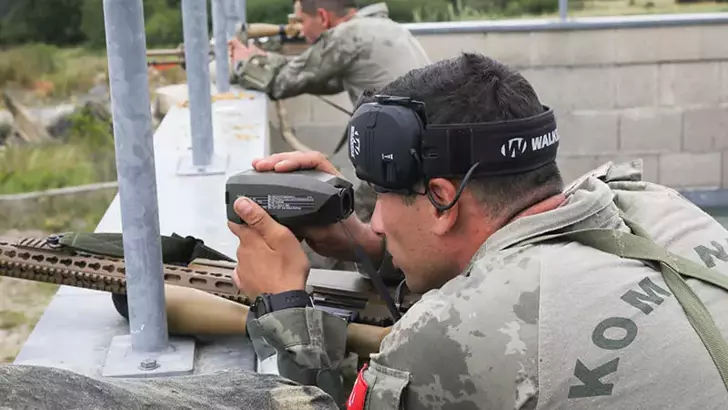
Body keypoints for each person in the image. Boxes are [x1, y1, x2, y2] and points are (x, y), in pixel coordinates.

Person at [227, 52, 728, 409]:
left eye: (381, 197)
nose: (375, 219)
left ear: (443, 198)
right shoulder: (652, 203)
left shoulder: (451, 336)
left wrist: (285, 308)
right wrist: (370, 246)